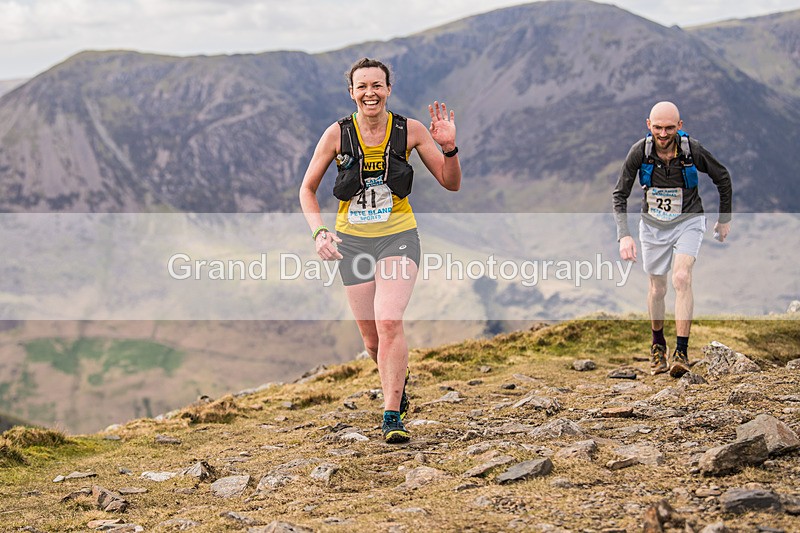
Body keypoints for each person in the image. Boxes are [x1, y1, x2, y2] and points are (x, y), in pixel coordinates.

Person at [299, 58, 461, 443]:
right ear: (351, 93)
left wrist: (449, 148)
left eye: (377, 85)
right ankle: (396, 382)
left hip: (397, 236)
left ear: (388, 89)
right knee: (372, 342)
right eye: (362, 86)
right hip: (352, 243)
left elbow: (450, 182)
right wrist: (319, 232)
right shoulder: (337, 134)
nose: (369, 93)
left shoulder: (410, 130)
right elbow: (307, 189)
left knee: (389, 321)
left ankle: (391, 415)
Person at [613, 101, 732, 378]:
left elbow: (723, 177)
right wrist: (624, 235)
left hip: (688, 221)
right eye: (657, 128)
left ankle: (681, 352)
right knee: (657, 288)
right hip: (653, 226)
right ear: (648, 125)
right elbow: (620, 194)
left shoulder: (692, 150)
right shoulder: (639, 152)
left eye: (669, 128)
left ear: (680, 125)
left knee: (681, 277)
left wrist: (724, 218)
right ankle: (658, 345)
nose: (663, 134)